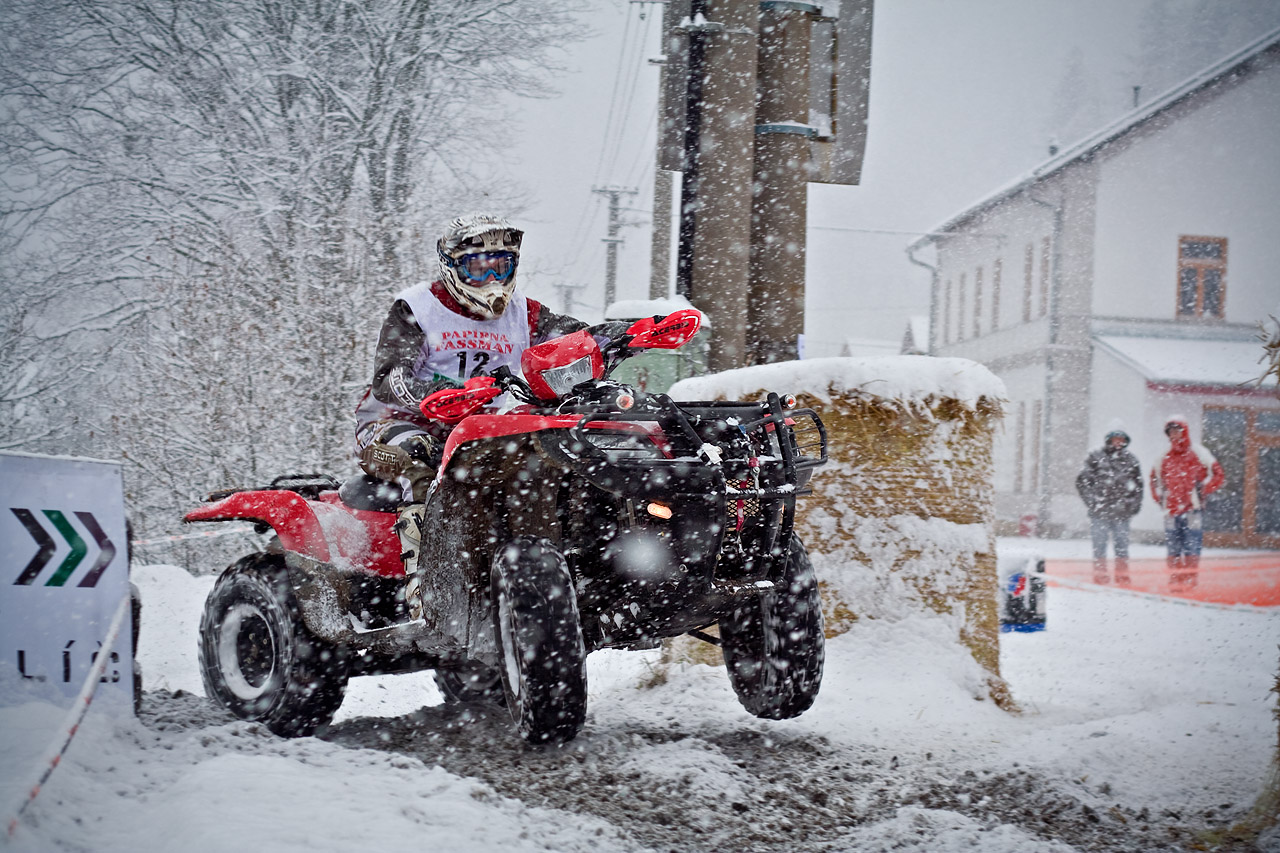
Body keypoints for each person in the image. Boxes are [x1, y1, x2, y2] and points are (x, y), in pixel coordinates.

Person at [353, 213, 587, 619]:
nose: (492, 277)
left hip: (485, 430)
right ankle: (427, 593)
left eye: (502, 265)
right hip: (399, 423)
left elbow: (578, 341)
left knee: (553, 458)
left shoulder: (526, 314)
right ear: (453, 267)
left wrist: (625, 336)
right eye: (478, 266)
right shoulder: (417, 307)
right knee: (423, 459)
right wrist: (443, 395)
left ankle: (551, 577)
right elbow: (389, 379)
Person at [1149, 416, 1224, 588]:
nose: (1174, 434)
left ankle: (1190, 580)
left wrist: (1203, 489)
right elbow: (1154, 480)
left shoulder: (1199, 453)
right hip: (1170, 512)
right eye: (1171, 431)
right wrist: (1160, 498)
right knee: (1173, 548)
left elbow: (1218, 474)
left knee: (1192, 547)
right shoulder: (1163, 457)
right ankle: (1175, 579)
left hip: (1193, 511)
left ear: (1185, 431)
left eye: (1177, 430)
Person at [1074, 428, 1143, 585]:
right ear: (1109, 440)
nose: (1118, 443)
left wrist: (1133, 505)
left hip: (1122, 512)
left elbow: (1138, 486)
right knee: (1099, 545)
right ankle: (1100, 575)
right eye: (1115, 439)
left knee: (1122, 546)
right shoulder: (1095, 458)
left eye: (1121, 440)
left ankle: (1122, 575)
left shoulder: (1131, 460)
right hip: (1100, 512)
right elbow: (1082, 482)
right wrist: (1093, 502)